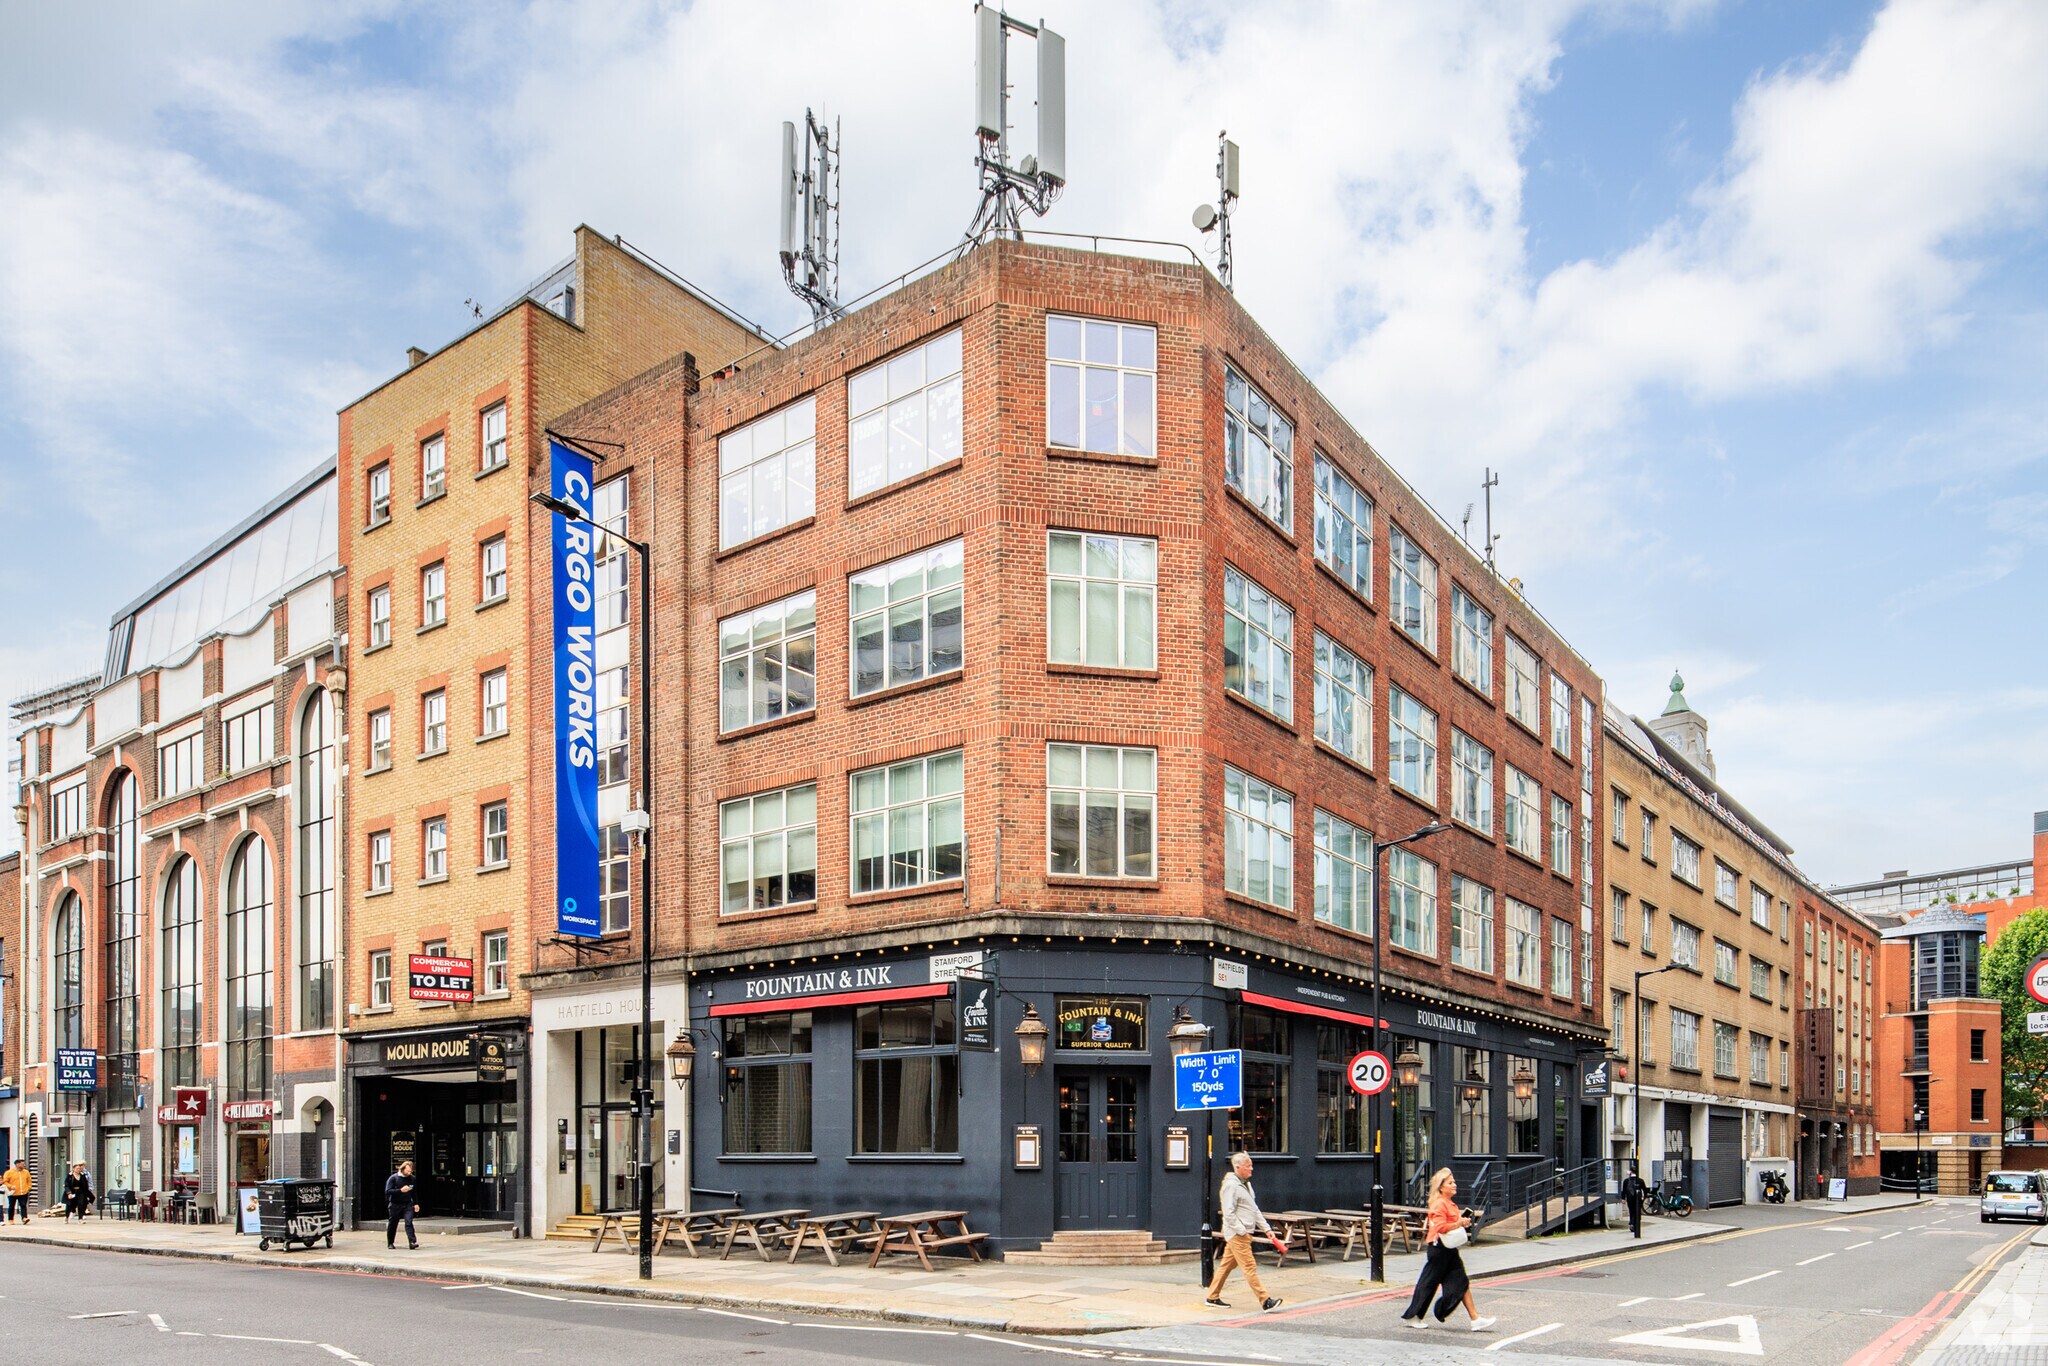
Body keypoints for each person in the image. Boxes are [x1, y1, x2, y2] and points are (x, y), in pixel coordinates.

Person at [1399, 1168, 1495, 1332]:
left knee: (1461, 1281)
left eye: (1454, 1182)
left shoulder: (1450, 1203)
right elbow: (1441, 1227)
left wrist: (1462, 1222)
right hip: (1439, 1249)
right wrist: (1458, 1223)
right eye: (1450, 1183)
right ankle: (1413, 1316)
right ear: (1441, 1187)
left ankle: (1475, 1318)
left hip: (1449, 1249)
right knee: (1428, 1283)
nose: (1454, 1185)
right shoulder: (1439, 1204)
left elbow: (1451, 1223)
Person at [1205, 1151, 1283, 1312]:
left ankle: (1212, 1296)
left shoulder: (1246, 1184)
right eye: (1248, 1166)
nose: (1251, 1169)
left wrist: (1267, 1229)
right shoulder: (1231, 1186)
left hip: (1242, 1233)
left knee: (1225, 1266)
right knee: (1249, 1267)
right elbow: (1228, 1212)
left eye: (1251, 1165)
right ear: (1238, 1167)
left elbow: (1254, 1209)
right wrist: (1242, 1231)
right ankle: (1265, 1300)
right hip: (1238, 1234)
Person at [384, 1160, 420, 1250]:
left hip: (407, 1204)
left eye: (410, 1171)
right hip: (395, 1204)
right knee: (393, 1223)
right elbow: (387, 1191)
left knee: (409, 1222)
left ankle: (412, 1242)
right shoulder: (394, 1178)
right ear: (403, 1168)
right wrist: (400, 1190)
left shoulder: (412, 1178)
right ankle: (390, 1242)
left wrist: (416, 1203)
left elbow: (414, 1192)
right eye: (407, 1171)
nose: (409, 1173)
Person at [1622, 1161, 1646, 1238]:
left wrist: (1623, 1198)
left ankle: (1632, 1223)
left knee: (1631, 1211)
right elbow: (1645, 1190)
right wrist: (1643, 1197)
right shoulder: (1640, 1180)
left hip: (1629, 1198)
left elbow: (1624, 1190)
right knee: (1637, 1212)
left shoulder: (1626, 1181)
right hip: (1638, 1199)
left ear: (1630, 1172)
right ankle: (1635, 1224)